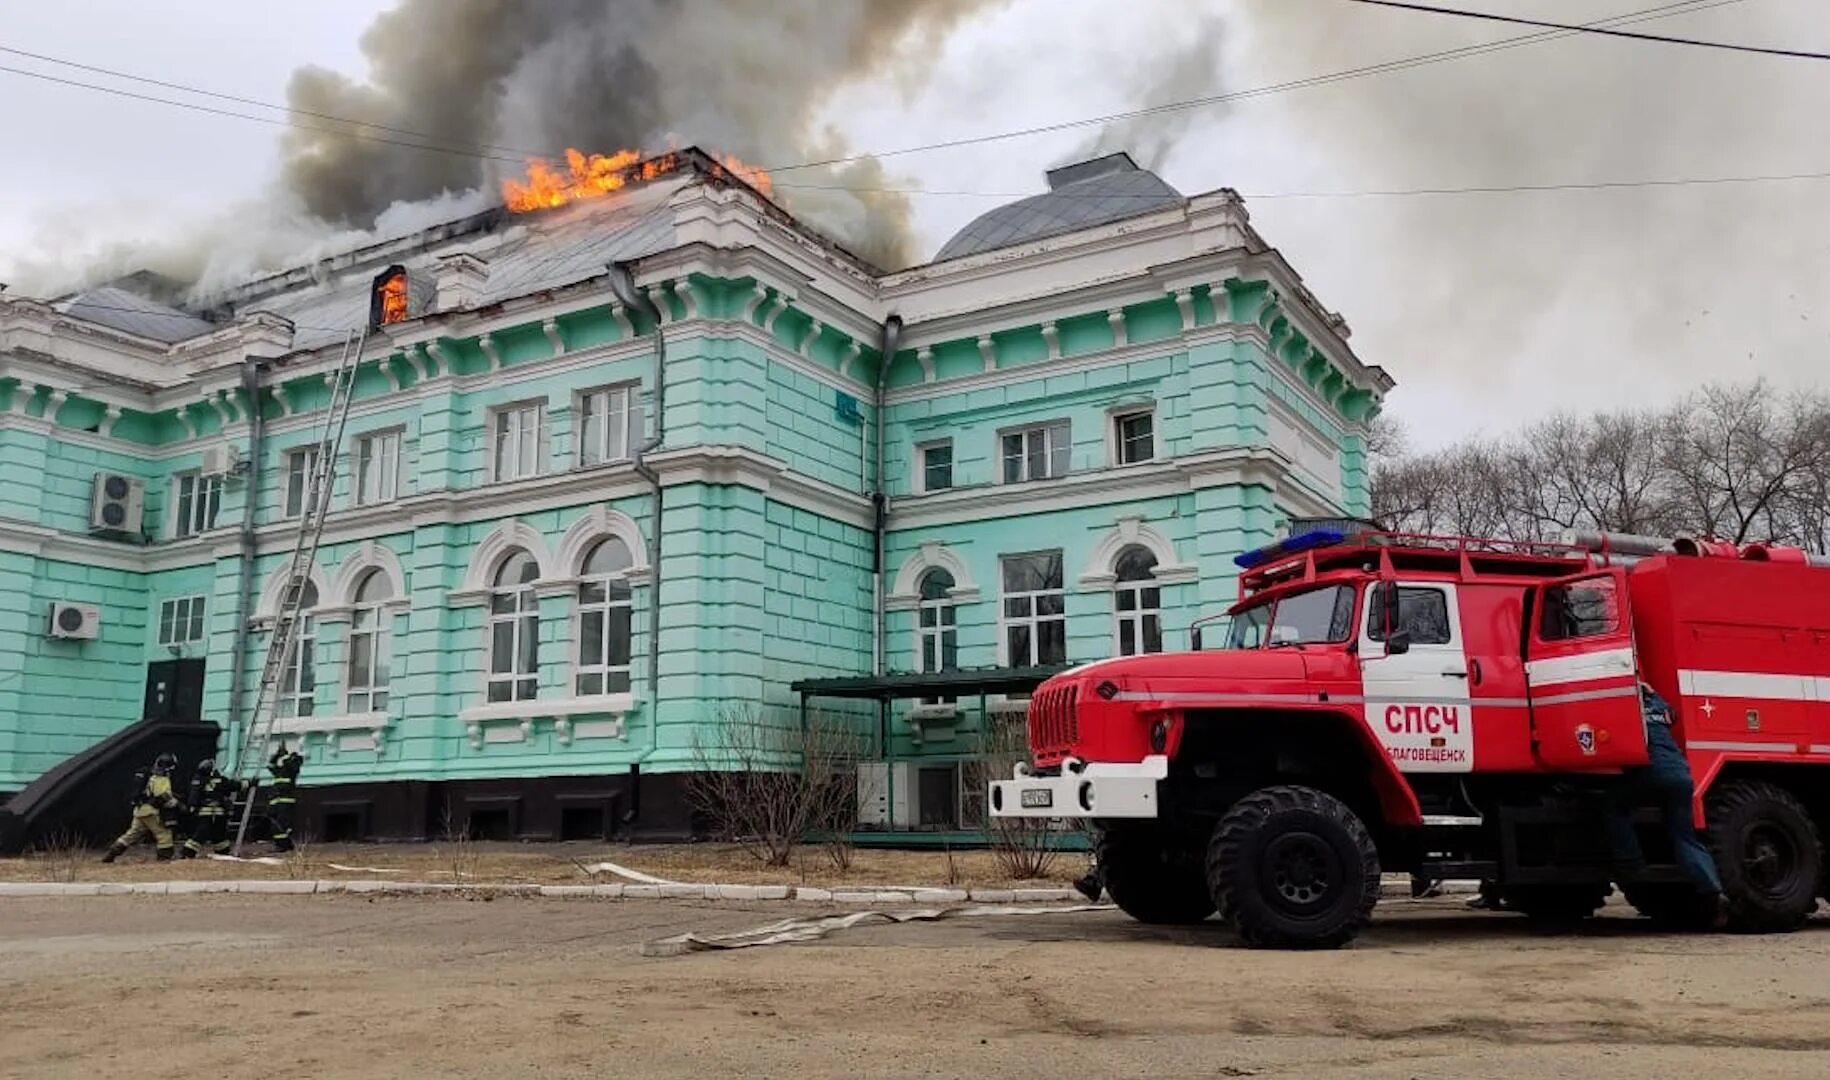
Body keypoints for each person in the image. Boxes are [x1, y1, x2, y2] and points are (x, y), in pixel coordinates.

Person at [1607, 681, 1725, 917]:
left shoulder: (1629, 714)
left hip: (1650, 775)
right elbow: (1673, 716)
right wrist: (1652, 692)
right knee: (1685, 837)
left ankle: (1632, 864)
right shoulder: (1661, 710)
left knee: (1613, 807)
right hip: (1681, 777)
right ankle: (1714, 890)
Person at [101, 752, 181, 862]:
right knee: (164, 834)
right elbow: (163, 796)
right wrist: (177, 804)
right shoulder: (161, 778)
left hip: (139, 810)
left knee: (132, 834)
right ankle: (164, 859)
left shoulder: (148, 775)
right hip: (151, 811)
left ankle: (110, 855)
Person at [181, 758, 241, 859]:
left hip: (209, 813)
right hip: (215, 813)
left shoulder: (198, 779)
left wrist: (192, 807)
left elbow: (193, 796)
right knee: (204, 834)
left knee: (217, 834)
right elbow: (234, 786)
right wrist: (250, 783)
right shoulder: (218, 779)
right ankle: (187, 852)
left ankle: (222, 853)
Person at [267, 743, 303, 853]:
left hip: (286, 800)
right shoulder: (280, 770)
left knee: (283, 824)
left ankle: (283, 845)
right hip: (276, 800)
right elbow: (270, 765)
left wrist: (285, 756)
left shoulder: (293, 767)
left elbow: (292, 765)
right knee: (275, 823)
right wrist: (277, 755)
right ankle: (285, 844)